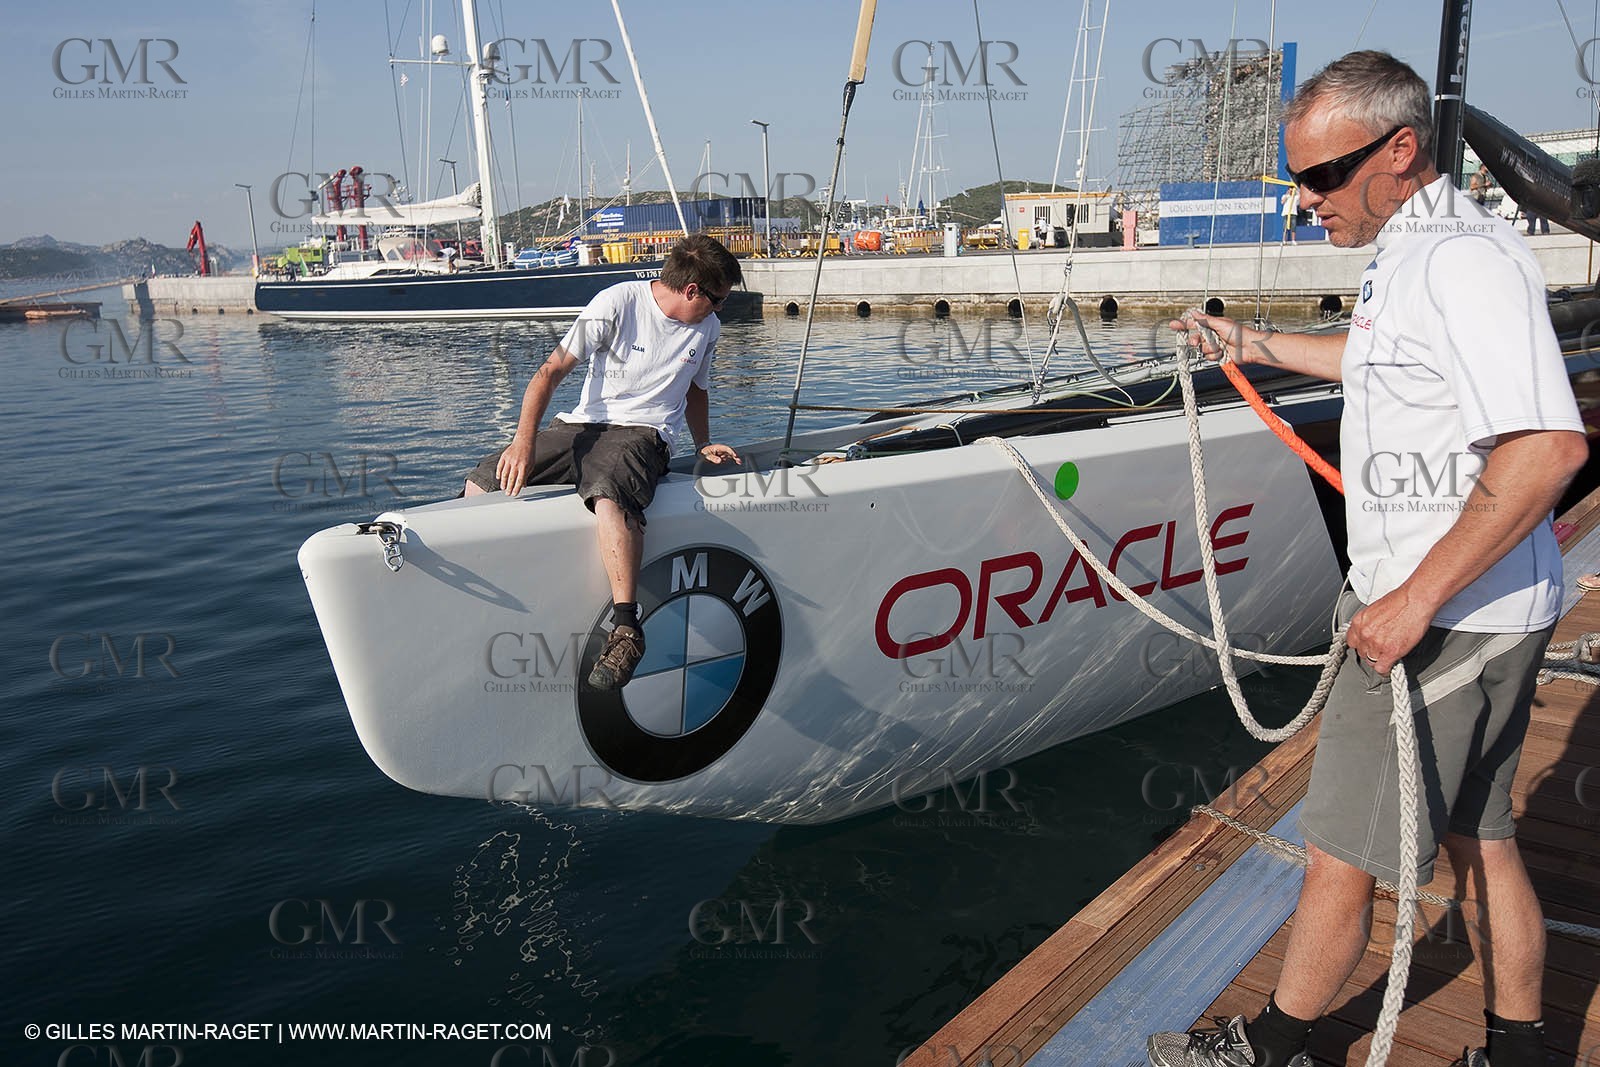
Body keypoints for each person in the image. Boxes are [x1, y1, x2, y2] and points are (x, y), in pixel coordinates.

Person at [1146, 51, 1587, 1067]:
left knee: (1336, 853)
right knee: (1483, 835)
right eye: (1295, 179)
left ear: (1397, 152)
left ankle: (1275, 1045)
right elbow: (1380, 358)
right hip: (1482, 612)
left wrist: (1410, 600)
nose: (1306, 203)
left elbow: (1549, 450)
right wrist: (1251, 340)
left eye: (1322, 177)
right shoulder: (1411, 252)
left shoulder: (1458, 261)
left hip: (1439, 621)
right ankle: (1519, 1051)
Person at [461, 234, 742, 690]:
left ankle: (627, 627)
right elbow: (549, 373)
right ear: (692, 291)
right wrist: (523, 443)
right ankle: (476, 594)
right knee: (484, 478)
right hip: (581, 425)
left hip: (645, 435)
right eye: (717, 301)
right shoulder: (616, 302)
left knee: (610, 491)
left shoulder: (706, 329)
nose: (718, 311)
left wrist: (702, 444)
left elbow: (696, 390)